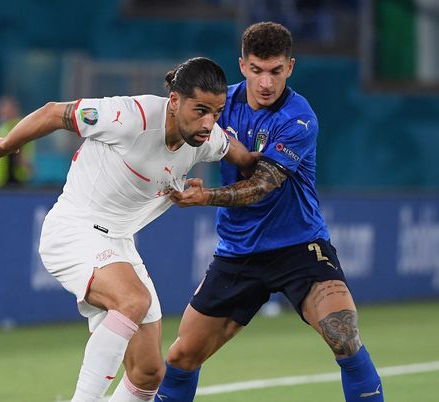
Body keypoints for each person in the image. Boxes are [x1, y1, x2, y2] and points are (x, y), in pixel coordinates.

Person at [0, 57, 257, 402]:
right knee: (132, 300)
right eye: (200, 110)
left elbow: (235, 152)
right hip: (73, 230)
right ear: (174, 101)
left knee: (149, 373)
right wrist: (6, 145)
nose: (208, 122)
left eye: (216, 112)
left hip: (119, 244)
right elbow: (53, 112)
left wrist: (258, 164)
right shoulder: (129, 116)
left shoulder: (206, 136)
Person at [157, 22, 384, 402]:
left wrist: (205, 196)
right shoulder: (218, 104)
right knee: (182, 355)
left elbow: (261, 186)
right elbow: (172, 123)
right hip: (239, 252)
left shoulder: (299, 118)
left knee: (343, 335)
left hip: (299, 247)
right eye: (257, 70)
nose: (266, 82)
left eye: (276, 71)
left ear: (290, 67)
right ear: (243, 65)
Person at [0, 95, 35, 188]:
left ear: (15, 111)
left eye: (6, 111)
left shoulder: (19, 129)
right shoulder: (4, 128)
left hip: (8, 184)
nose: (1, 115)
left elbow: (24, 161)